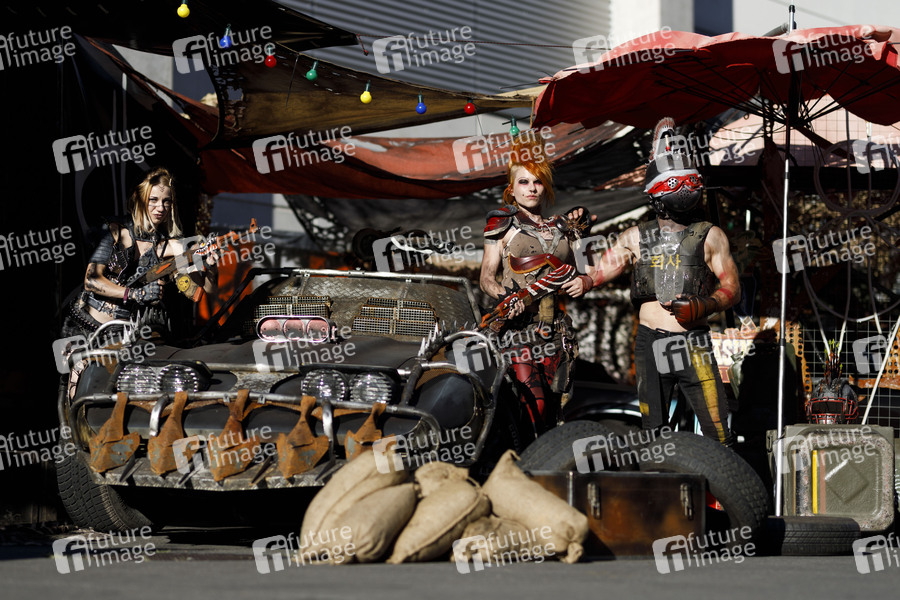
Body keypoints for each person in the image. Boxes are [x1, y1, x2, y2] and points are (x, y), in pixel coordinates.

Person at [583, 118, 741, 446]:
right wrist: (576, 238)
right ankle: (663, 479)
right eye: (675, 184)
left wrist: (706, 304)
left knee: (719, 432)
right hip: (650, 344)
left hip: (694, 342)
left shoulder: (711, 235)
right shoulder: (634, 237)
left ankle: (724, 479)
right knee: (652, 435)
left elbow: (732, 287)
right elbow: (593, 276)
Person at [479, 135, 592, 429]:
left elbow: (587, 269)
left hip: (556, 331)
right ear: (511, 188)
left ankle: (540, 457)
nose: (531, 188)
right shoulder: (501, 225)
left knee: (555, 411)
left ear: (546, 187)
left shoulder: (565, 227)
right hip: (517, 329)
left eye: (537, 182)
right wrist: (506, 298)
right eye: (524, 182)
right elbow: (486, 279)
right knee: (533, 405)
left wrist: (585, 279)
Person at [61, 167, 219, 340]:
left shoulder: (173, 248)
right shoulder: (116, 232)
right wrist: (137, 294)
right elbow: (91, 281)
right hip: (80, 328)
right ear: (139, 198)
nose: (161, 207)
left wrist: (210, 266)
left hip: (120, 338)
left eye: (166, 201)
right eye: (153, 200)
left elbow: (203, 291)